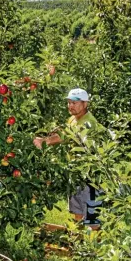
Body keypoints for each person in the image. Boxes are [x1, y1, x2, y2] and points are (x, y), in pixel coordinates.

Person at [33, 88, 102, 227]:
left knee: (91, 215)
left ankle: (94, 246)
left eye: (75, 103)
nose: (71, 106)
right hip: (76, 173)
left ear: (85, 104)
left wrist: (44, 141)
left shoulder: (88, 122)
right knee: (77, 210)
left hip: (92, 175)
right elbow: (64, 132)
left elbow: (65, 137)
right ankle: (78, 243)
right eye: (69, 103)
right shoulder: (72, 119)